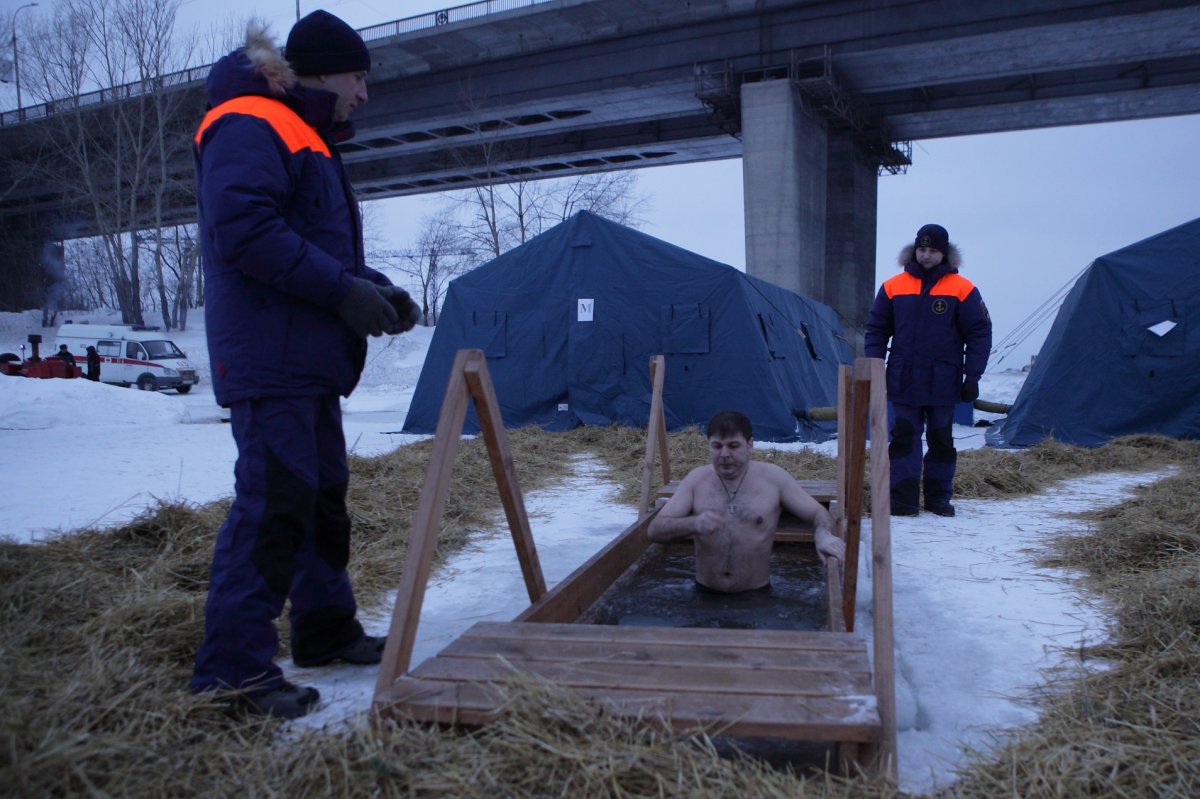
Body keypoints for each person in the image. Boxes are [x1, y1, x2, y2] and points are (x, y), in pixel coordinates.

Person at [190, 10, 422, 719]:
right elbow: (246, 231)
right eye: (359, 77)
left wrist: (371, 286)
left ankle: (324, 627)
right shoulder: (250, 121)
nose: (364, 94)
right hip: (271, 358)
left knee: (321, 496)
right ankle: (232, 673)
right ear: (323, 71)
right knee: (274, 505)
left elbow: (309, 243)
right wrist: (340, 289)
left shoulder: (304, 135)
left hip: (306, 358)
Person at [863, 223, 992, 518]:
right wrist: (874, 366)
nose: (926, 255)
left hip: (944, 382)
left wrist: (973, 376)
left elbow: (979, 333)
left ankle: (938, 498)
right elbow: (876, 330)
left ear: (943, 253)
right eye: (922, 249)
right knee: (904, 439)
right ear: (914, 250)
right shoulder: (893, 286)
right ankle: (903, 500)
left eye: (932, 250)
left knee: (941, 440)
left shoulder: (963, 289)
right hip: (903, 379)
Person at [647, 410, 846, 593]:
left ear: (750, 445)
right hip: (703, 592)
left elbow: (818, 512)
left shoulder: (774, 480)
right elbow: (655, 530)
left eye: (733, 446)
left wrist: (823, 534)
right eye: (717, 446)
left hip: (757, 596)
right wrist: (693, 524)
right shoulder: (696, 480)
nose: (724, 454)